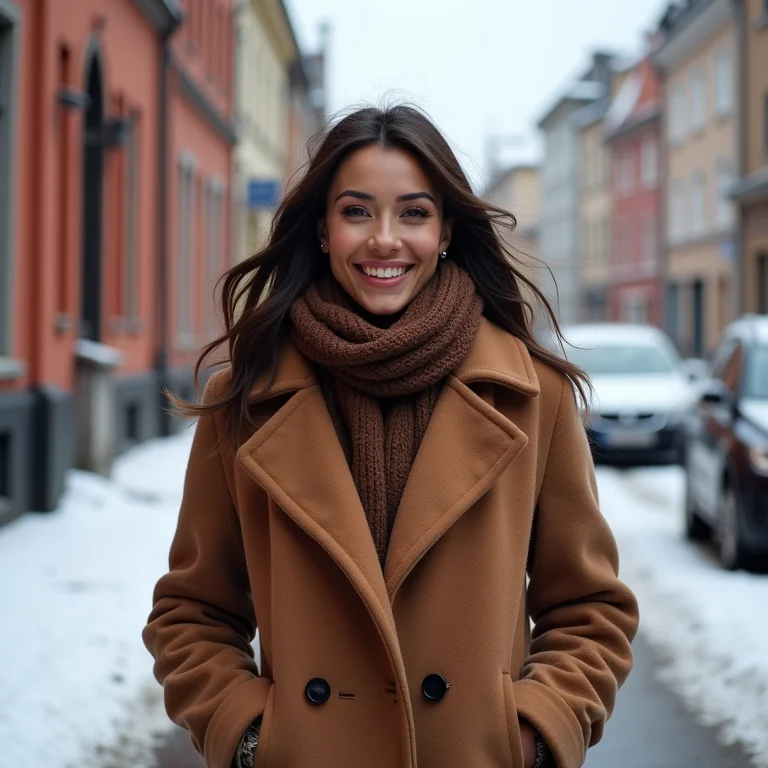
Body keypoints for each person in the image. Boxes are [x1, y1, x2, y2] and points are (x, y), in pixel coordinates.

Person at [143, 104, 639, 768]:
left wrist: (534, 733)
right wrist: (251, 737)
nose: (384, 239)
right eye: (356, 212)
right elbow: (191, 613)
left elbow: (589, 608)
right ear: (321, 230)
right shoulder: (246, 398)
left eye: (412, 213)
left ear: (444, 233)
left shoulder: (532, 396)